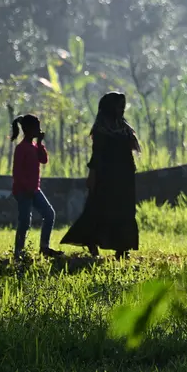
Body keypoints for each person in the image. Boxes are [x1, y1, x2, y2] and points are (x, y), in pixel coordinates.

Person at [61, 92, 140, 260]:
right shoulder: (101, 129)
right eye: (118, 106)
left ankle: (123, 248)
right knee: (98, 210)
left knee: (124, 212)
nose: (121, 110)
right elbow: (97, 155)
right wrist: (92, 175)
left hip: (124, 177)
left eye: (122, 106)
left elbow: (130, 151)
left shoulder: (124, 127)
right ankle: (91, 241)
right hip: (106, 177)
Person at [11, 114, 64, 259]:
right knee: (24, 222)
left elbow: (44, 159)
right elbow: (17, 172)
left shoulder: (34, 147)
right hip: (23, 191)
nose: (39, 130)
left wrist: (40, 143)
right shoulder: (22, 148)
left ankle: (44, 247)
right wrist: (26, 188)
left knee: (49, 214)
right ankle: (18, 252)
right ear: (28, 129)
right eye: (37, 127)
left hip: (34, 190)